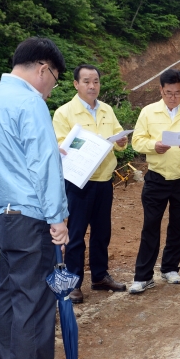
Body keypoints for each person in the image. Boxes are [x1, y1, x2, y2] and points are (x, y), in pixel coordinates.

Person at [0, 37, 74, 359]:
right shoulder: (30, 102)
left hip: (1, 215)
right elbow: (44, 165)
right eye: (55, 78)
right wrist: (58, 218)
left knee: (8, 294)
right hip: (30, 218)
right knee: (34, 299)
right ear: (42, 68)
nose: (52, 88)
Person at [52, 64, 128, 304]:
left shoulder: (106, 110)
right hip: (78, 182)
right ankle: (74, 282)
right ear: (76, 84)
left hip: (104, 179)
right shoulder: (64, 113)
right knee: (75, 233)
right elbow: (61, 145)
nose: (92, 86)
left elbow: (118, 139)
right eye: (86, 81)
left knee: (102, 231)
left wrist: (122, 141)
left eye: (95, 81)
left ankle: (100, 276)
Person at [129, 69, 180, 294]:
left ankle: (170, 267)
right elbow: (137, 141)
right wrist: (154, 146)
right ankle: (143, 276)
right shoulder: (148, 112)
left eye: (178, 93)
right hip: (157, 178)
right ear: (161, 90)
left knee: (179, 226)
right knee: (151, 226)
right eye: (168, 93)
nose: (173, 98)